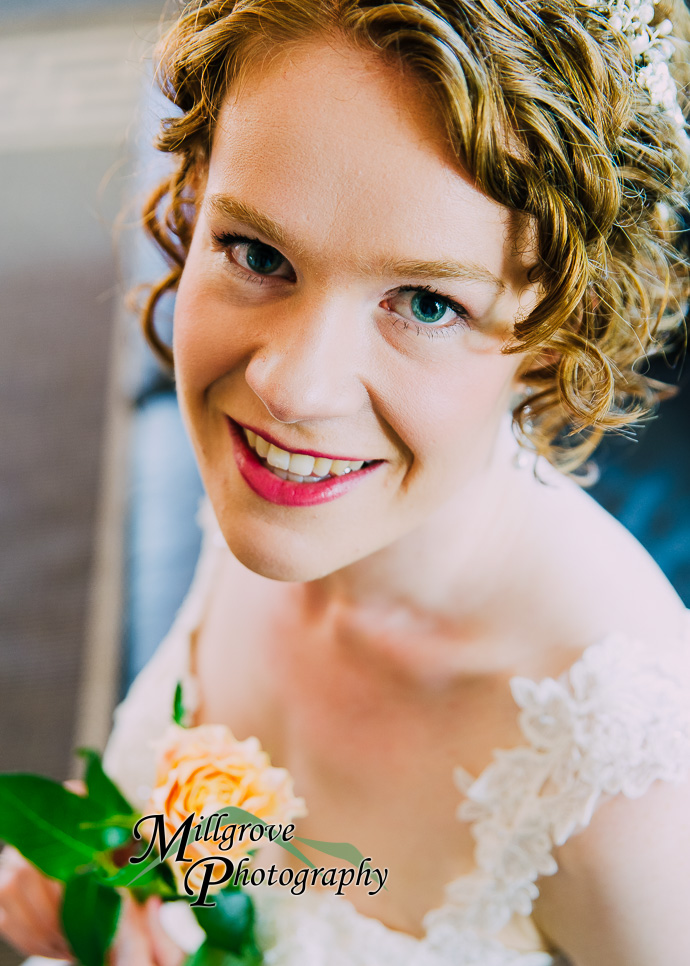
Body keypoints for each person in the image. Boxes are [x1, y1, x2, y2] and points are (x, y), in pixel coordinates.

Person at [2, 0, 690, 963]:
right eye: (258, 254)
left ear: (556, 336)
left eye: (425, 304)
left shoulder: (624, 773)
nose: (291, 387)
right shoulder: (276, 489)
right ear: (195, 208)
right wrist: (92, 883)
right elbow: (251, 868)